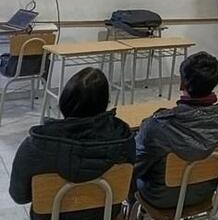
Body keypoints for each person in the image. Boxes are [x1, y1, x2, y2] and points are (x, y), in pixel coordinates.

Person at [10, 68, 135, 220]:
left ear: (64, 101)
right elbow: (128, 187)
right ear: (105, 103)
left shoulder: (36, 145)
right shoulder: (124, 139)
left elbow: (19, 196)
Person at [135, 52, 218, 209]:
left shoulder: (157, 125)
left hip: (161, 197)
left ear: (182, 84)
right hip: (203, 193)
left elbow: (136, 166)